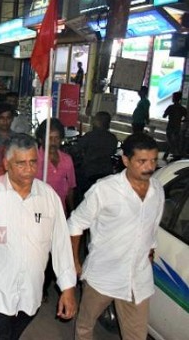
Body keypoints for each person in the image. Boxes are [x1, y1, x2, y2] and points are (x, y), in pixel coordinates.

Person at [0, 134, 77, 339]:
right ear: (6, 163)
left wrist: (68, 287)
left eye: (33, 162)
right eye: (21, 163)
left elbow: (61, 244)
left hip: (29, 293)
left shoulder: (49, 197)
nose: (29, 169)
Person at [68, 133, 164, 340]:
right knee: (85, 326)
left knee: (137, 334)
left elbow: (152, 226)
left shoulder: (157, 190)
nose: (149, 167)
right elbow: (75, 224)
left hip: (137, 278)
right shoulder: (105, 190)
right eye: (142, 161)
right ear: (126, 160)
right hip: (103, 276)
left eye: (154, 160)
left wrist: (150, 250)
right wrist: (74, 262)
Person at [35, 118, 77, 213]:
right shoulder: (33, 160)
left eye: (56, 138)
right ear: (41, 139)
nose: (53, 142)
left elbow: (70, 189)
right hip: (38, 213)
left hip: (60, 213)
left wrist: (72, 212)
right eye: (49, 138)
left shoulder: (67, 160)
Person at [77, 111, 118, 194]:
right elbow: (113, 151)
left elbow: (77, 148)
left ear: (98, 122)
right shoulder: (113, 138)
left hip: (89, 172)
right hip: (106, 172)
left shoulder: (90, 136)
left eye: (95, 119)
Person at [162, 91, 187, 161]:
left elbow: (164, 116)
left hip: (170, 126)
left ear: (174, 98)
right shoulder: (182, 108)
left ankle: (176, 154)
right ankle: (171, 154)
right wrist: (181, 120)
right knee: (174, 141)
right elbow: (187, 118)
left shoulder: (170, 107)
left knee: (170, 140)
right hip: (177, 127)